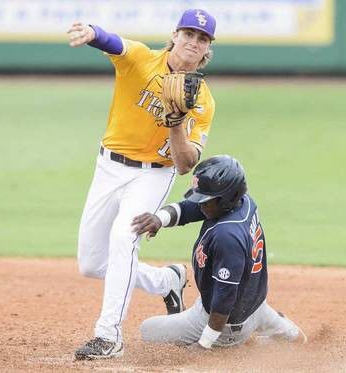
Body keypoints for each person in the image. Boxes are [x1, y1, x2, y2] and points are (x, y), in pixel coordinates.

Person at [67, 9, 216, 359]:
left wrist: (176, 122)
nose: (193, 42)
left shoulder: (204, 101)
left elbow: (184, 165)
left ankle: (109, 336)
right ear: (175, 35)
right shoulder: (141, 60)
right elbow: (113, 43)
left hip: (153, 174)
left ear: (208, 48)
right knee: (92, 264)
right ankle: (168, 281)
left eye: (202, 39)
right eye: (189, 34)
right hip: (108, 167)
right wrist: (91, 31)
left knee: (123, 237)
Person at [132, 155, 307, 349]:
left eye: (205, 200)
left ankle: (228, 345)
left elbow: (224, 300)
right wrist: (160, 219)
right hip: (257, 306)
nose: (201, 204)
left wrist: (204, 344)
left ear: (226, 198)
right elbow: (190, 208)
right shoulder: (242, 202)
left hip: (226, 324)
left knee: (147, 330)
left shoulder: (227, 237)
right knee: (292, 339)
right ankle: (286, 331)